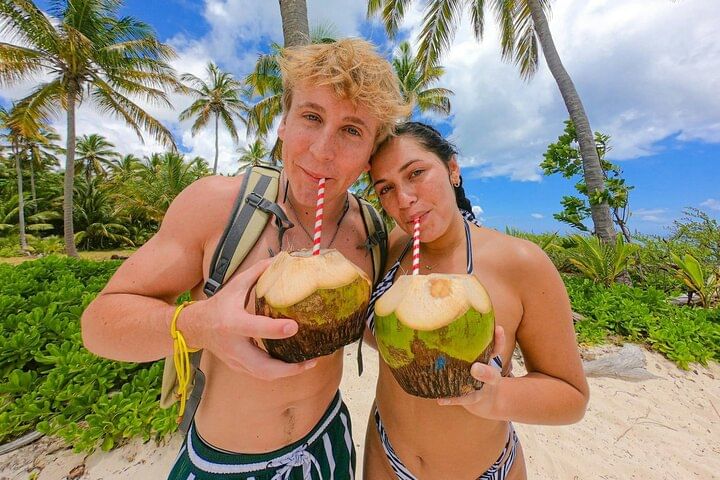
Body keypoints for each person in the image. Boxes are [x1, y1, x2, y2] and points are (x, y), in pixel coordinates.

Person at [81, 38, 410, 479]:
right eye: (312, 117)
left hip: (330, 442)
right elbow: (99, 325)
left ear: (371, 154)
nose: (322, 150)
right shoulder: (217, 206)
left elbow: (374, 331)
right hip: (225, 463)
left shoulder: (371, 232)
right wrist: (200, 325)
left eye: (352, 131)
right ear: (284, 123)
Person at [363, 122, 590, 479]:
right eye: (386, 188)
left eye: (416, 173)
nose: (404, 199)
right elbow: (385, 340)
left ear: (452, 169)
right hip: (385, 455)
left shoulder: (520, 263)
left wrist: (495, 397)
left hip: (482, 469)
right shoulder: (393, 247)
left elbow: (572, 397)